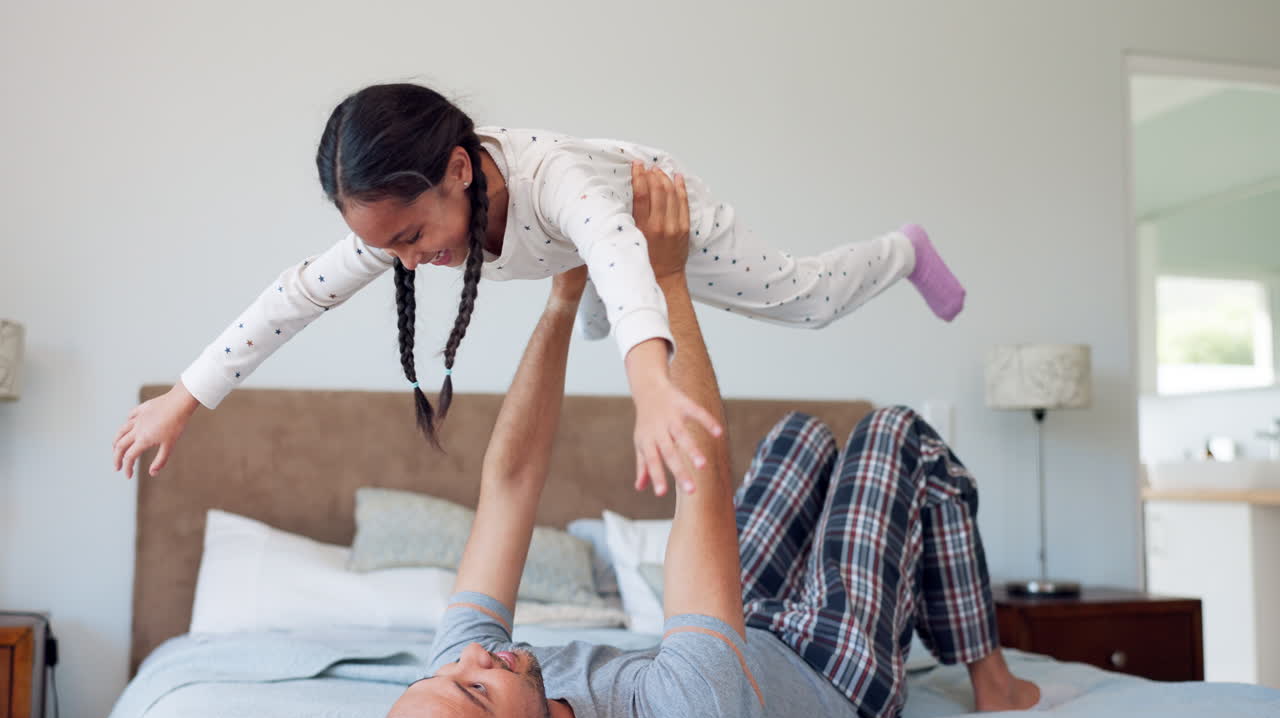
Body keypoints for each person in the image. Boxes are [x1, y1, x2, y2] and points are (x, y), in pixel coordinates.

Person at [385, 167, 1040, 718]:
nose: (471, 658)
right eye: (477, 688)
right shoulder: (682, 710)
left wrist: (563, 296)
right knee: (891, 434)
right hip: (832, 670)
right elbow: (702, 485)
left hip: (745, 629)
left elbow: (510, 483)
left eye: (445, 674)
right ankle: (995, 682)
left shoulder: (457, 680)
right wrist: (668, 279)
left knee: (800, 436)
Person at [111, 83, 966, 492]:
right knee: (583, 281)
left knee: (805, 302)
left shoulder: (554, 179)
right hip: (577, 246)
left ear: (458, 170)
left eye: (411, 239)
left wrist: (651, 387)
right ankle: (580, 295)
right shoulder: (404, 217)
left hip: (648, 211)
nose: (405, 262)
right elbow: (296, 296)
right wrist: (185, 398)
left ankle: (904, 251)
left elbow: (623, 255)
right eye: (385, 248)